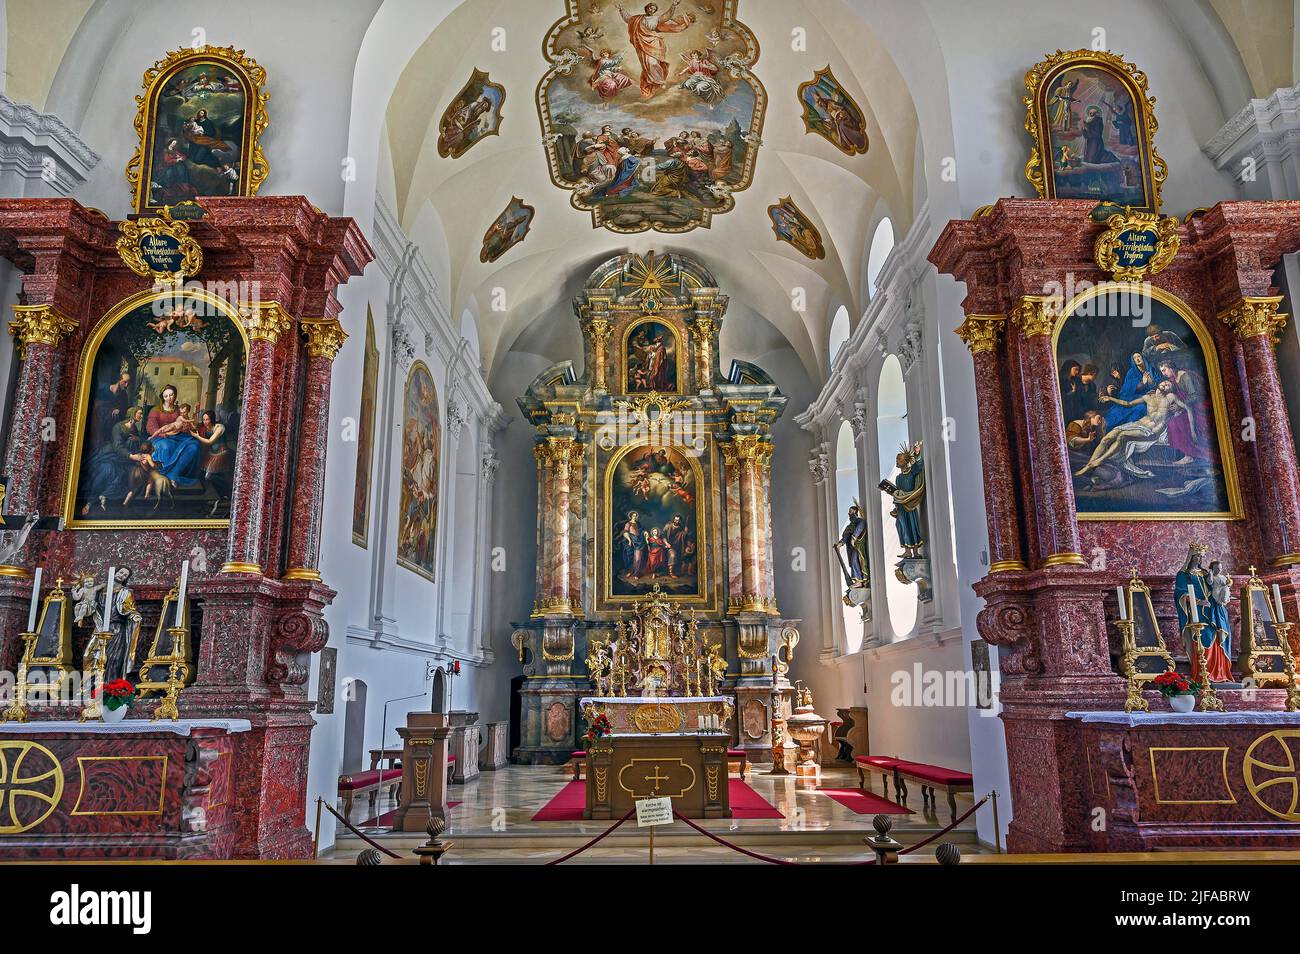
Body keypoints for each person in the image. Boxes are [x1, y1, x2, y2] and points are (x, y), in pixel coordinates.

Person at [1076, 380, 1190, 477]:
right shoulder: (1147, 397)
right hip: (1138, 424)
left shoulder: (1171, 398)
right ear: (1159, 383)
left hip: (1152, 431)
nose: (1165, 384)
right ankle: (1088, 465)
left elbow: (1188, 408)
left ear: (1171, 389)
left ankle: (1098, 462)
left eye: (1169, 384)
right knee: (1109, 436)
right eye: (1164, 382)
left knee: (1122, 436)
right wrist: (1110, 398)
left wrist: (1180, 410)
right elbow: (1128, 403)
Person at [1175, 545, 1232, 684]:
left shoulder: (1206, 573)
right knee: (1203, 638)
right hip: (1197, 613)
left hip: (1213, 610)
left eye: (1201, 556)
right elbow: (1180, 594)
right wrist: (1198, 601)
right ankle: (1202, 675)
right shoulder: (1183, 574)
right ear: (1190, 557)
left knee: (1218, 639)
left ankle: (1220, 673)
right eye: (1197, 556)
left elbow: (1216, 586)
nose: (1199, 559)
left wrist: (1224, 591)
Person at [618, 2, 696, 99]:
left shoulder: (656, 19)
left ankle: (659, 81)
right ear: (646, 8)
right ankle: (653, 82)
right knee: (646, 65)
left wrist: (673, 6)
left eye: (654, 9)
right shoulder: (637, 18)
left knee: (653, 62)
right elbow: (628, 19)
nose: (651, 10)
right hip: (641, 44)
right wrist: (621, 10)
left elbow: (666, 16)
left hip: (653, 43)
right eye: (650, 8)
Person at [82, 407, 151, 514]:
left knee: (130, 475)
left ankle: (105, 496)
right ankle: (90, 502)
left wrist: (138, 441)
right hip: (111, 455)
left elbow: (136, 444)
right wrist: (132, 456)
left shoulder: (134, 429)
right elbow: (117, 446)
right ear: (133, 413)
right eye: (140, 413)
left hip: (125, 460)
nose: (142, 416)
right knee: (107, 471)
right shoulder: (118, 427)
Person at [146, 384, 203, 489]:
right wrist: (165, 434)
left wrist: (186, 426)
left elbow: (188, 422)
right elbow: (150, 428)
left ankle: (173, 474)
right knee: (166, 446)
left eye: (171, 395)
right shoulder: (155, 410)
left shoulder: (179, 410)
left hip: (180, 437)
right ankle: (166, 474)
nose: (169, 398)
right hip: (161, 437)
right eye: (166, 396)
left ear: (175, 395)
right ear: (162, 397)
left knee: (194, 446)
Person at [836, 503, 869, 586]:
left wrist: (854, 538)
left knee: (855, 560)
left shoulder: (860, 521)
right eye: (849, 513)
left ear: (855, 512)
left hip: (858, 546)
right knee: (852, 562)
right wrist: (840, 543)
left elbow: (859, 528)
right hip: (851, 547)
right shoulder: (849, 526)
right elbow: (846, 536)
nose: (849, 514)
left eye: (851, 512)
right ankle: (858, 580)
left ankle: (859, 581)